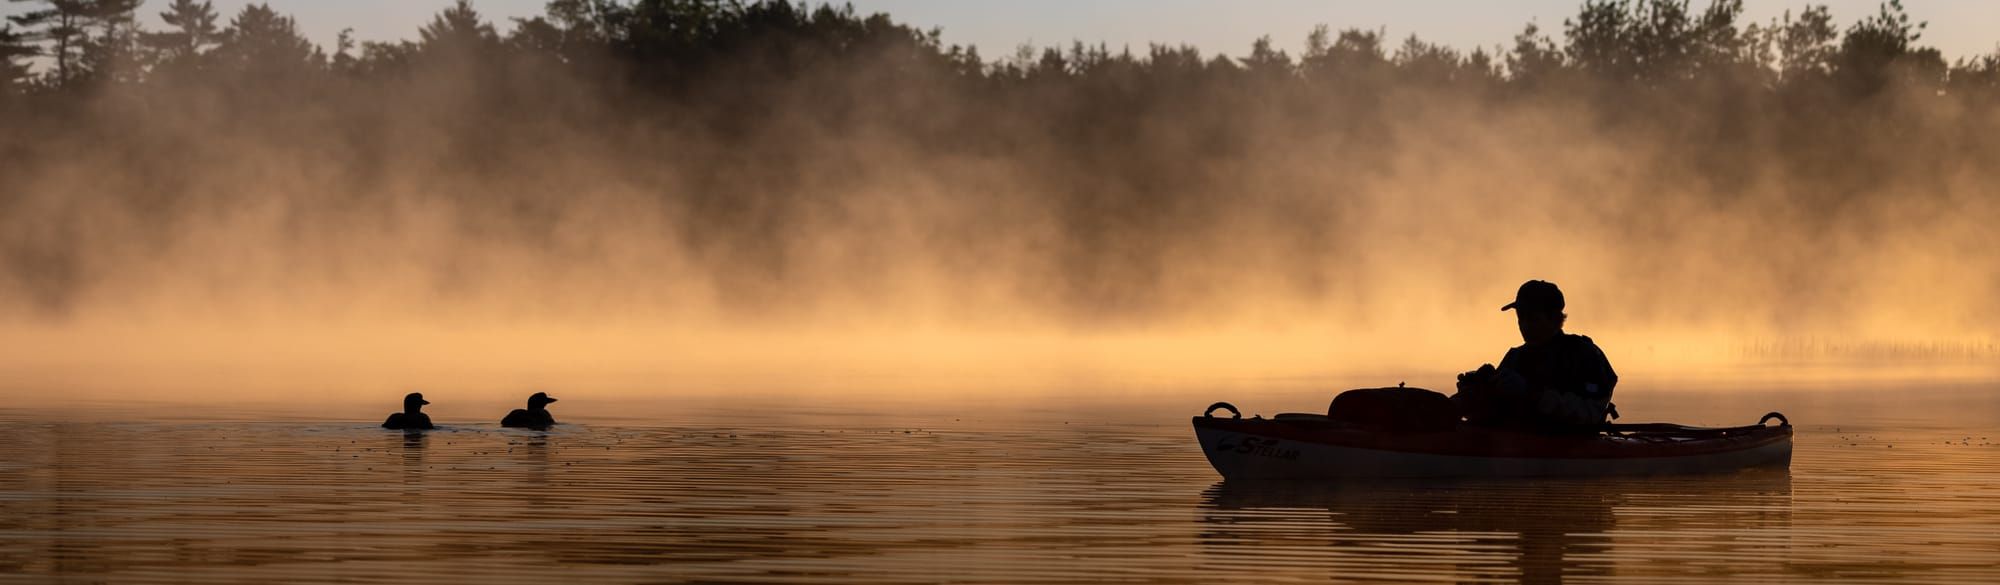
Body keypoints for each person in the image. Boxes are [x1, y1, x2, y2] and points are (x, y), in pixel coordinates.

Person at [1454, 280, 1618, 430]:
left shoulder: (1584, 355)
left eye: (1532, 318)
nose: (1524, 325)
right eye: (1521, 317)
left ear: (1554, 319)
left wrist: (1531, 394)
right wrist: (1477, 390)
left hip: (1566, 448)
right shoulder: (1515, 357)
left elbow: (1590, 412)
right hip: (1516, 448)